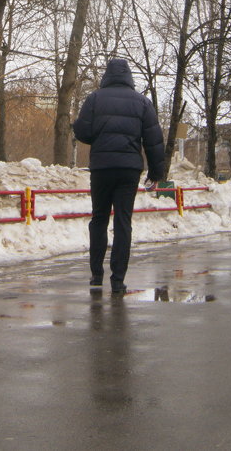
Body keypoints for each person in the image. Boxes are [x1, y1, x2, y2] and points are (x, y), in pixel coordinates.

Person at [72, 58, 166, 294]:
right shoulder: (142, 102)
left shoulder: (94, 99)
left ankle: (96, 275)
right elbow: (154, 141)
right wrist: (156, 173)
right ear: (129, 77)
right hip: (128, 169)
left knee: (99, 218)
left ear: (107, 75)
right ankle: (118, 280)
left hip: (102, 167)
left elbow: (82, 132)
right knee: (123, 222)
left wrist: (98, 135)